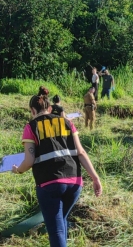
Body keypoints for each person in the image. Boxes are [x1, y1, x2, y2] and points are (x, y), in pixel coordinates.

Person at [12, 87, 102, 247]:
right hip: (75, 184)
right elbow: (81, 152)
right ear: (49, 107)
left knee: (56, 231)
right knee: (60, 221)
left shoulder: (31, 127)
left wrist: (17, 170)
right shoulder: (67, 122)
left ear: (33, 110)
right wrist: (95, 177)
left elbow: (29, 160)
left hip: (49, 185)